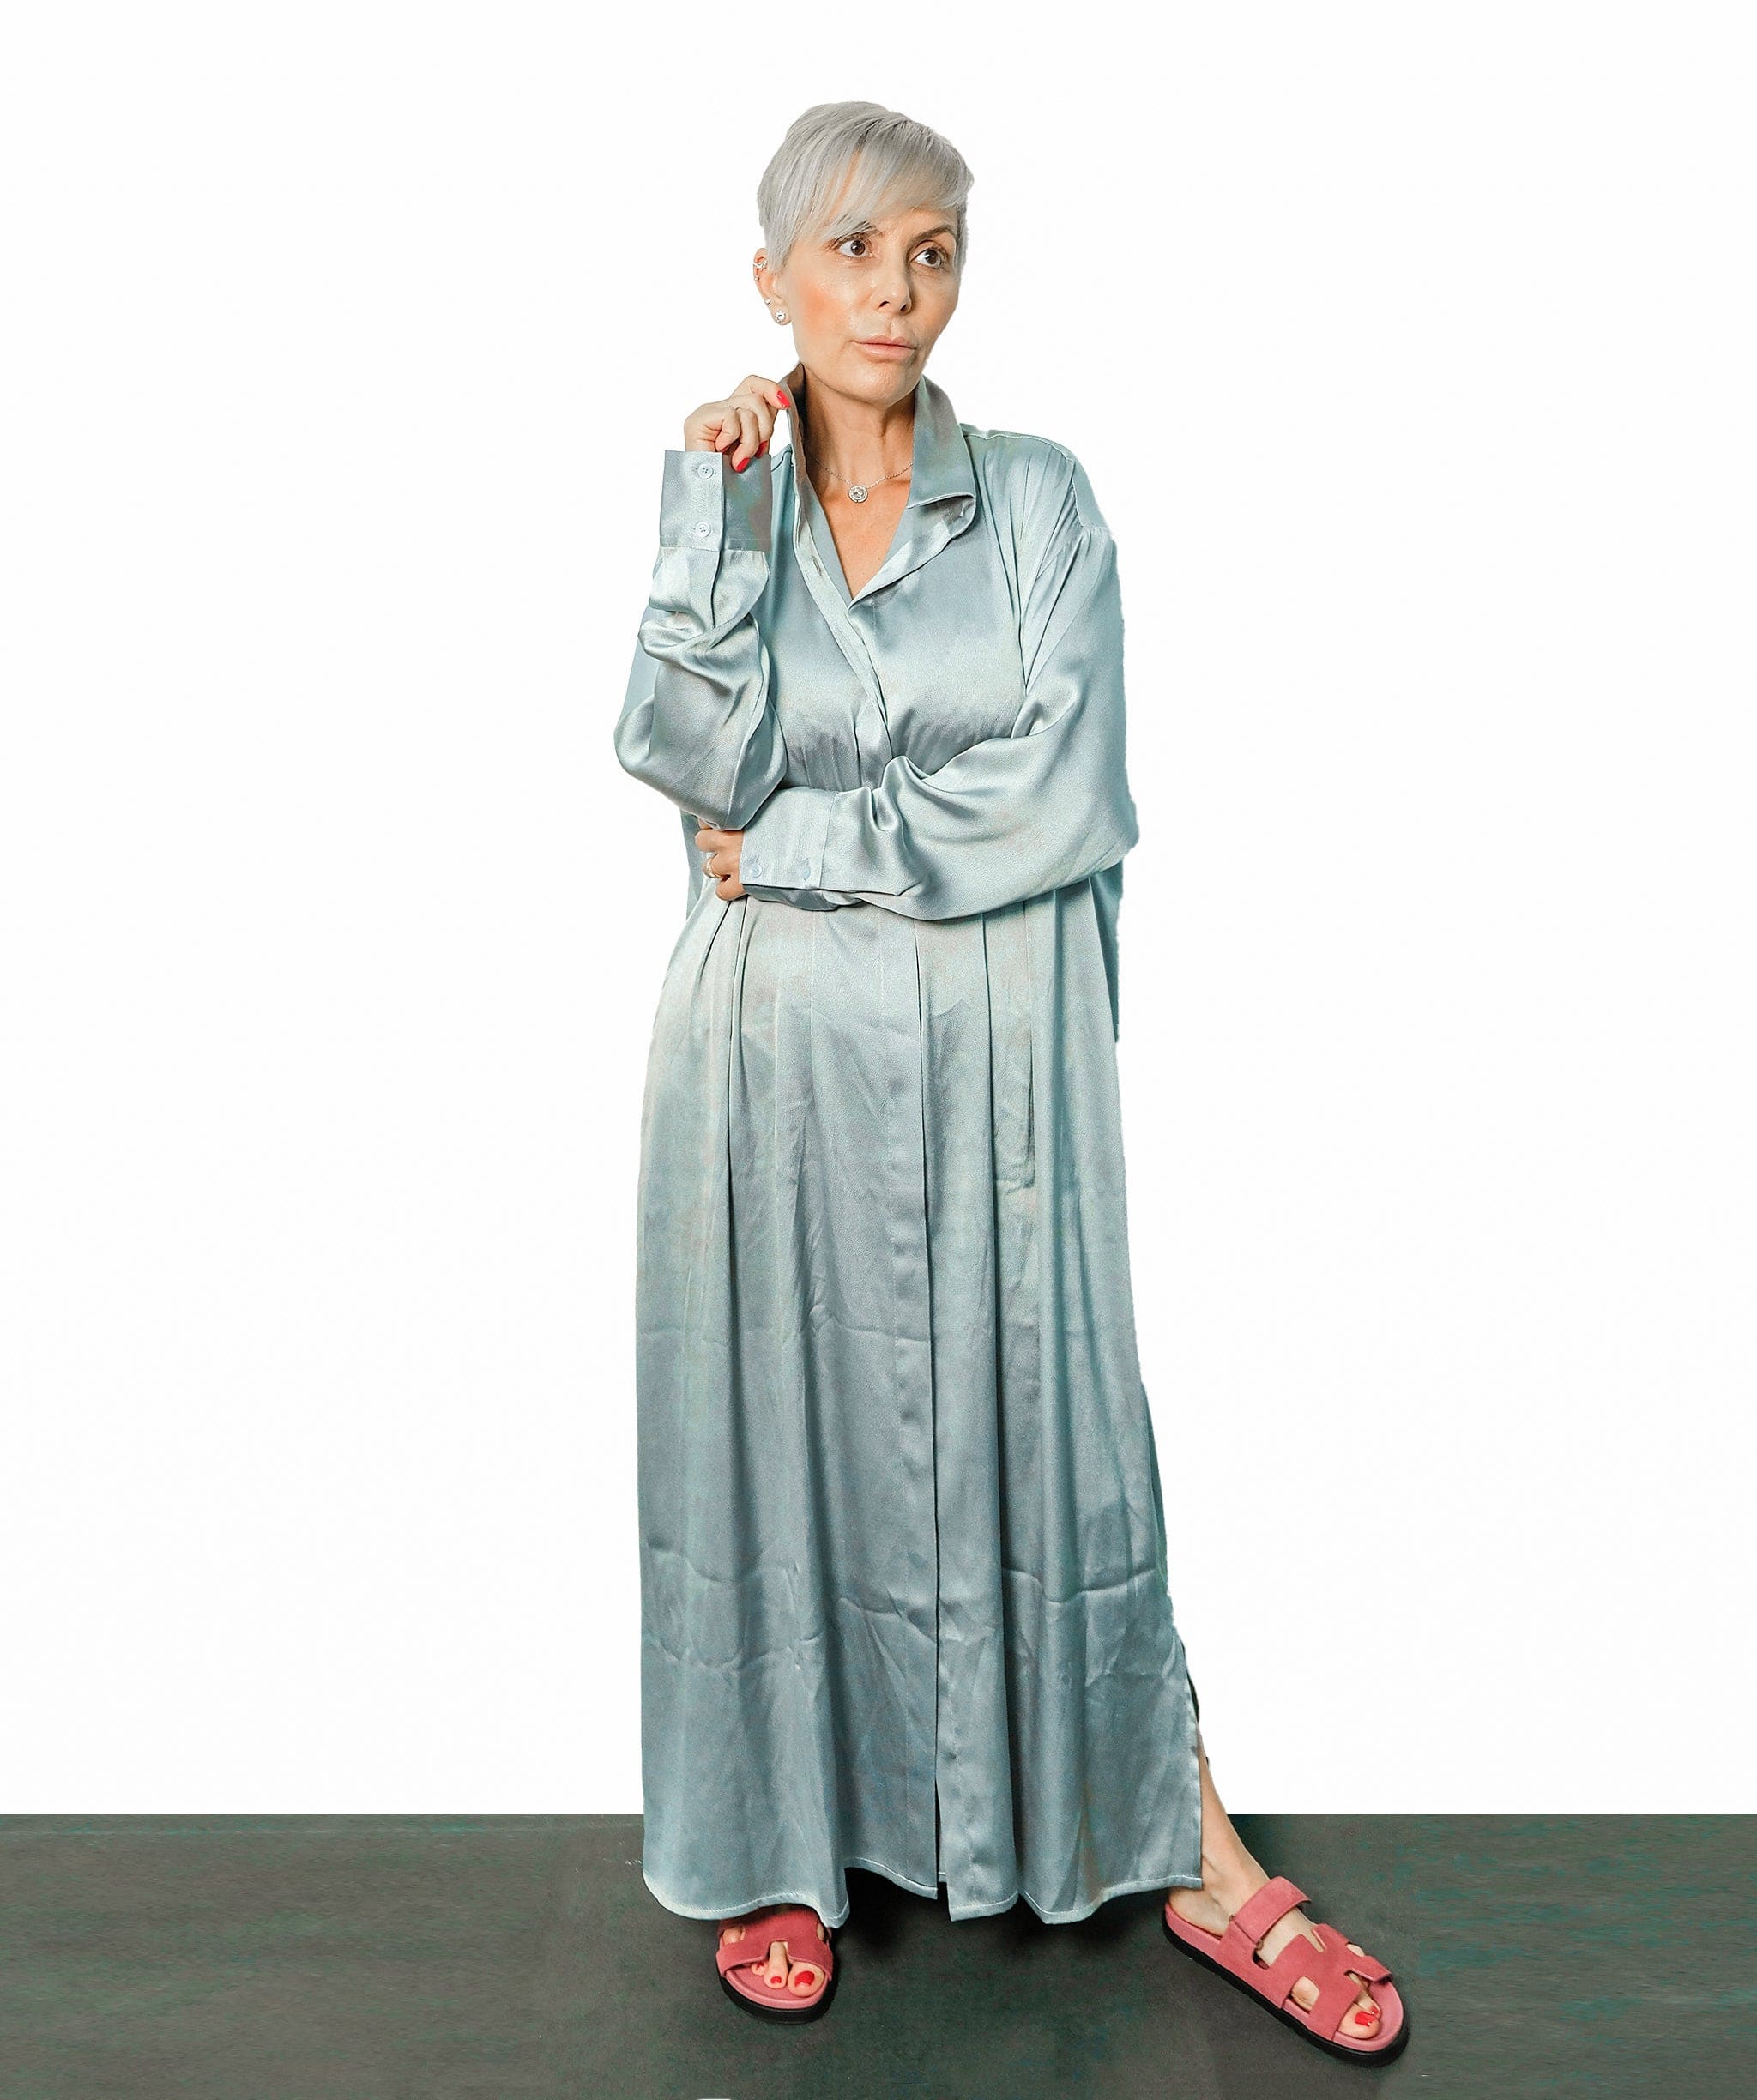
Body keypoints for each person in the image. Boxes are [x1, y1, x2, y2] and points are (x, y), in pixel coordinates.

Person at [613, 100, 1408, 2063]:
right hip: (773, 1066)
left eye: (933, 251)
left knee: (1053, 1429)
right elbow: (681, 758)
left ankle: (1185, 1842)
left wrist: (805, 840)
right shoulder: (731, 506)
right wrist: (709, 511)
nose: (896, 292)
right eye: (853, 250)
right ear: (772, 279)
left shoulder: (1039, 502)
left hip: (1006, 1065)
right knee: (773, 1433)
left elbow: (1061, 788)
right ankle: (778, 1840)